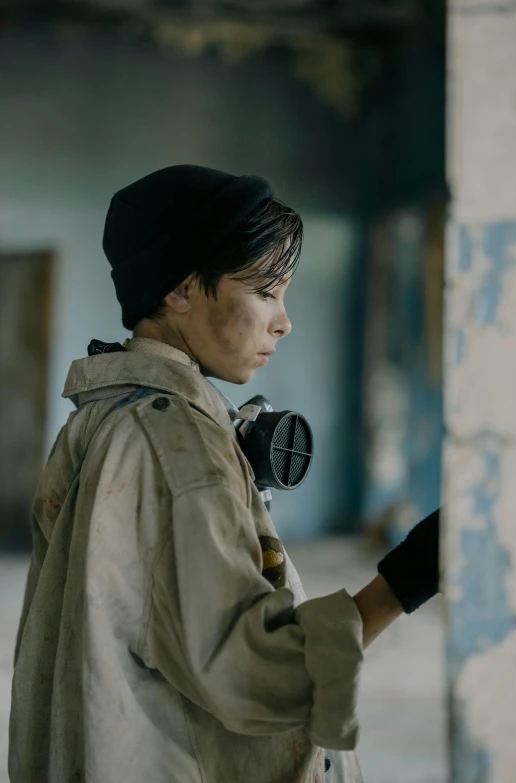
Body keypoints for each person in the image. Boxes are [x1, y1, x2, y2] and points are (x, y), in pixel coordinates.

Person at [9, 165, 440, 783]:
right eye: (265, 292)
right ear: (181, 289)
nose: (283, 322)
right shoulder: (175, 442)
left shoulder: (103, 418)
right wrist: (410, 576)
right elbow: (256, 673)